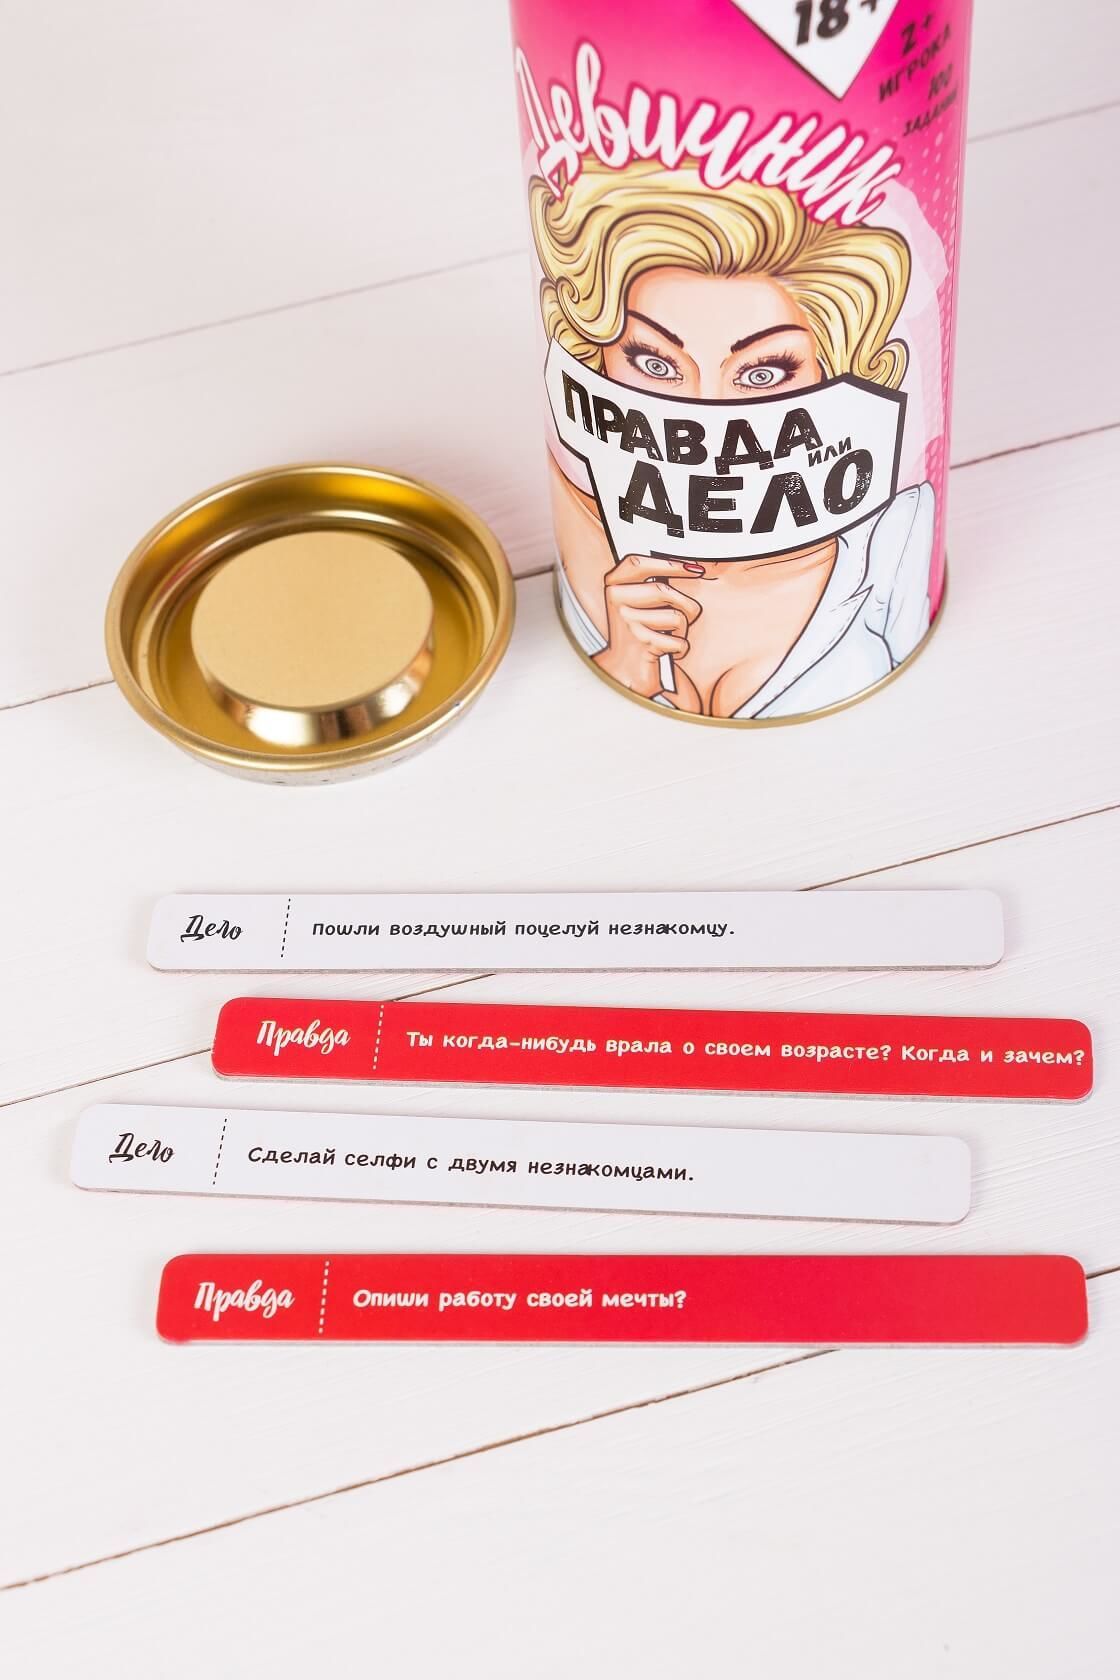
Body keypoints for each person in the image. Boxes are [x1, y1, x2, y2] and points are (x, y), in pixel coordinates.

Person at [529, 161, 935, 720]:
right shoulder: (571, 505)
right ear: (594, 354)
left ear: (831, 371)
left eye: (763, 373)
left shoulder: (892, 534)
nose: (705, 412)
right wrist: (621, 666)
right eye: (654, 363)